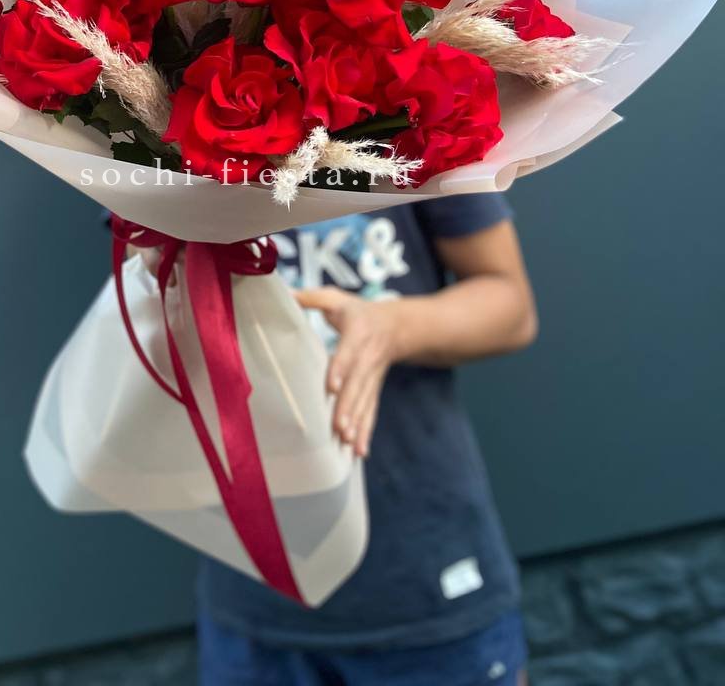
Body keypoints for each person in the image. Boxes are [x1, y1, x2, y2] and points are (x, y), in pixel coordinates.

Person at [197, 194, 536, 686]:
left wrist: (390, 327)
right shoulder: (152, 150)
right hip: (251, 592)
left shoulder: (410, 142)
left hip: (427, 577)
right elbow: (145, 289)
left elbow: (509, 303)